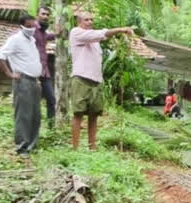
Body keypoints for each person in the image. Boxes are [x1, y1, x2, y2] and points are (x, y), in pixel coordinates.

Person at [69, 12, 134, 150]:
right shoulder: (76, 33)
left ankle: (92, 147)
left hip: (96, 80)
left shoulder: (95, 42)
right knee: (78, 114)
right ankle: (75, 148)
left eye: (92, 19)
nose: (90, 22)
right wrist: (120, 29)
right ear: (79, 22)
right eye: (86, 20)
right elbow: (100, 34)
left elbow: (100, 37)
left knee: (94, 114)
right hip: (81, 78)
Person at [0, 14, 42, 157]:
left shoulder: (32, 40)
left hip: (34, 82)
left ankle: (32, 146)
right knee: (23, 115)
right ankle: (21, 147)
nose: (31, 28)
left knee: (35, 115)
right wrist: (10, 74)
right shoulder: (15, 40)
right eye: (28, 26)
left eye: (33, 26)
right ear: (21, 26)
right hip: (23, 81)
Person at [34, 6, 59, 129]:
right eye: (43, 14)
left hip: (44, 72)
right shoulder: (32, 29)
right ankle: (33, 128)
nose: (45, 16)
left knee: (51, 99)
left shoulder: (43, 32)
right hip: (32, 71)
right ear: (37, 15)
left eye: (47, 14)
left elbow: (48, 36)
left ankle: (51, 128)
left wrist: (58, 33)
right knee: (33, 101)